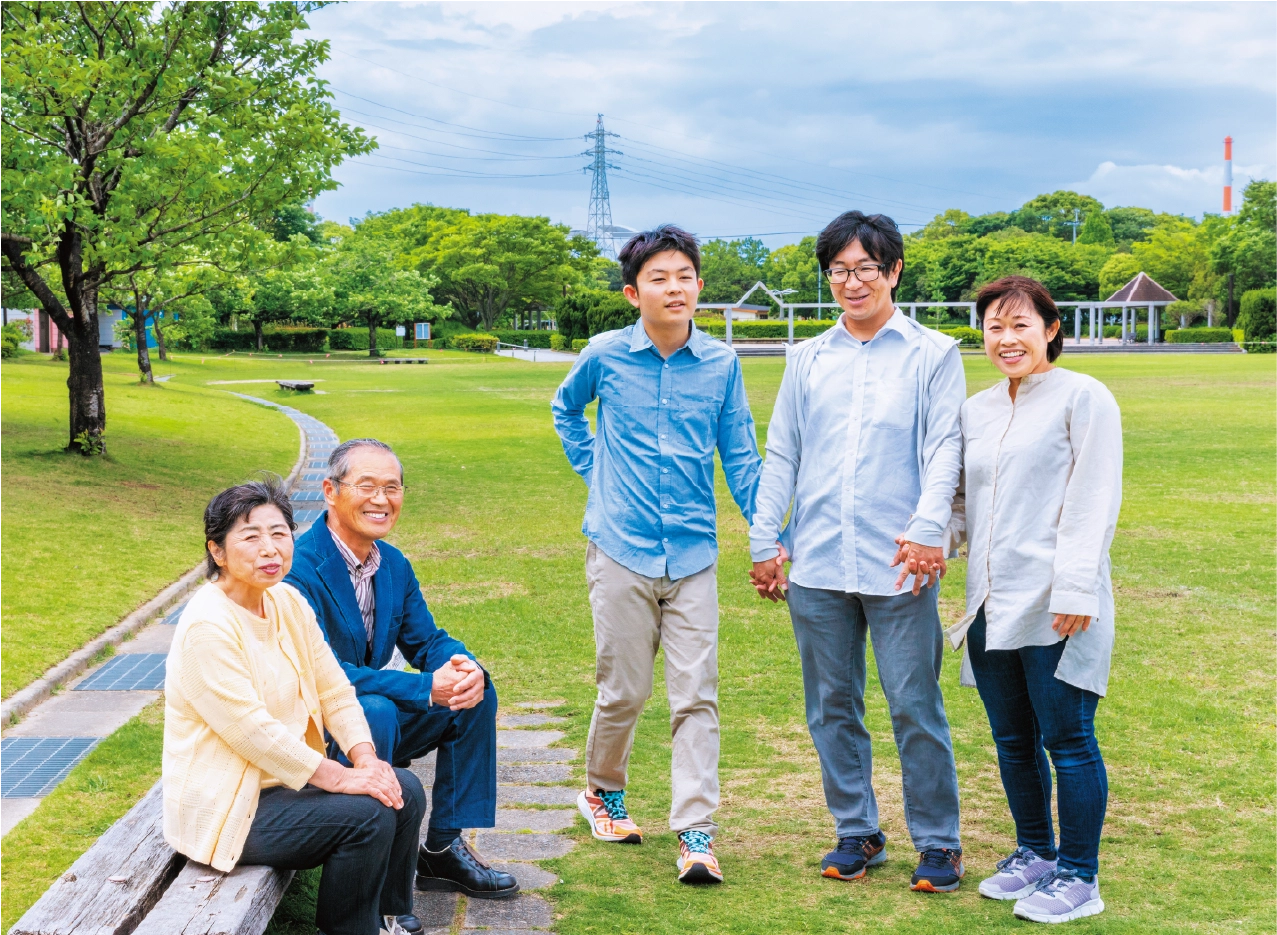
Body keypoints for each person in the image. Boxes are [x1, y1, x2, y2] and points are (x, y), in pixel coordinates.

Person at [749, 211, 968, 892]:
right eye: (839, 269)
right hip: (815, 559)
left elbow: (943, 448)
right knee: (830, 704)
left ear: (893, 270)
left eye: (865, 268)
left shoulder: (932, 353)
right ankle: (857, 829)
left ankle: (938, 841)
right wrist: (764, 536)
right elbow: (781, 449)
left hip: (900, 560)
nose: (851, 281)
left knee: (913, 704)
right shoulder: (807, 356)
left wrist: (930, 524)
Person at [551, 225, 763, 885]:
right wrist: (598, 475)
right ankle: (602, 792)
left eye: (683, 275)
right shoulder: (606, 354)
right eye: (658, 277)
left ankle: (695, 833)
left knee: (696, 695)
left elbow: (740, 453)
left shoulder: (722, 364)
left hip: (693, 551)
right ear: (632, 291)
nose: (673, 287)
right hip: (619, 547)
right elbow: (566, 410)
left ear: (699, 285)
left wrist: (766, 532)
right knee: (624, 690)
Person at [164, 480, 425, 935]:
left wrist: (366, 760)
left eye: (279, 533)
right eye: (250, 536)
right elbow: (253, 733)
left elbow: (334, 690)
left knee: (403, 789)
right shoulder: (208, 625)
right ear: (218, 551)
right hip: (231, 807)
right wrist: (342, 777)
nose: (270, 548)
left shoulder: (285, 600)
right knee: (367, 815)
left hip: (282, 787)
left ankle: (388, 919)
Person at [946, 276, 1120, 924]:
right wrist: (931, 545)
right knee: (1011, 737)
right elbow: (962, 501)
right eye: (994, 325)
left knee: (1067, 737)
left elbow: (1092, 497)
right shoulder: (979, 408)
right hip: (991, 601)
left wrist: (1075, 586)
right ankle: (1034, 851)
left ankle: (1079, 873)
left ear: (1050, 328)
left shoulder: (1083, 397)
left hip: (1056, 599)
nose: (1005, 338)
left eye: (1019, 324)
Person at [286, 438, 518, 907]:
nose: (381, 499)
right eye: (366, 485)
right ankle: (379, 876)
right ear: (330, 491)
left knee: (474, 692)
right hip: (309, 732)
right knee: (376, 711)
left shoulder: (391, 563)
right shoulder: (298, 567)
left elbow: (428, 642)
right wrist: (423, 686)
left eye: (392, 487)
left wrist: (463, 666)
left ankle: (442, 849)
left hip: (371, 721)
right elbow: (322, 674)